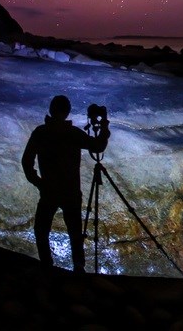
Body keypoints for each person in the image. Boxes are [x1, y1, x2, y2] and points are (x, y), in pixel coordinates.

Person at [22, 94, 110, 273]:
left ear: (51, 110)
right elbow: (98, 146)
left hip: (49, 191)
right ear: (67, 111)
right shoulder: (72, 134)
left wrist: (39, 183)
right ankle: (78, 267)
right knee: (75, 233)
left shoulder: (41, 132)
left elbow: (26, 161)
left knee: (41, 230)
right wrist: (104, 127)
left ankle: (46, 264)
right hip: (70, 191)